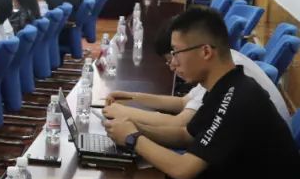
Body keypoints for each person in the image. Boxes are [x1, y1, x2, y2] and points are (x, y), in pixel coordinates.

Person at [103, 8, 300, 179]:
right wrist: (133, 126)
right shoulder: (226, 86)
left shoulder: (238, 97)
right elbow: (186, 135)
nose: (173, 62)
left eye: (176, 52)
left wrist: (133, 138)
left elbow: (183, 170)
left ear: (205, 51)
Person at [104, 15, 289, 127]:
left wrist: (124, 114)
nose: (172, 66)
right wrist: (132, 97)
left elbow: (180, 124)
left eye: (174, 56)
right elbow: (183, 102)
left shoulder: (228, 75)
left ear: (203, 50)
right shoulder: (223, 60)